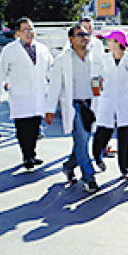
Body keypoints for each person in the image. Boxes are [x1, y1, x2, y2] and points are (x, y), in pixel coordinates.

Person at [46, 25, 100, 193]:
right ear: (71, 39)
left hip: (91, 104)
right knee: (83, 141)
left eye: (86, 34)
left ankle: (68, 166)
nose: (85, 37)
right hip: (74, 105)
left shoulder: (95, 57)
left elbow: (100, 78)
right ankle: (89, 178)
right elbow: (54, 85)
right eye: (80, 35)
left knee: (82, 142)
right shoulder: (63, 59)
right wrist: (49, 109)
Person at [0, 18, 52, 169]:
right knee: (23, 127)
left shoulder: (42, 49)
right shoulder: (10, 50)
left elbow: (50, 69)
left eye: (31, 29)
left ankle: (32, 154)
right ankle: (26, 156)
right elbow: (0, 71)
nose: (30, 33)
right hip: (20, 95)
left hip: (38, 94)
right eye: (25, 30)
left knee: (35, 127)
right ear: (17, 34)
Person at [90, 30, 128, 180]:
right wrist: (95, 89)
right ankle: (97, 155)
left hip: (123, 101)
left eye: (110, 41)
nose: (107, 43)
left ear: (118, 43)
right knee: (104, 131)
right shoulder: (103, 59)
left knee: (124, 135)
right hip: (107, 99)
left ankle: (125, 167)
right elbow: (95, 77)